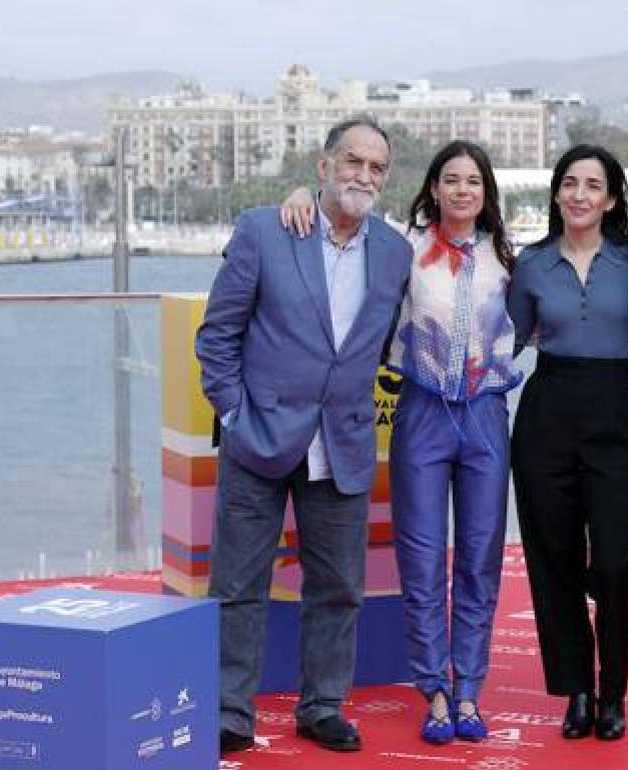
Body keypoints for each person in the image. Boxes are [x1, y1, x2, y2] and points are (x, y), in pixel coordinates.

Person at [280, 140, 520, 746]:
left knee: (480, 557)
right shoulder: (402, 253)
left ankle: (469, 687)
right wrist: (301, 195)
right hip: (423, 414)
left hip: (488, 415)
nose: (463, 190)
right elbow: (341, 232)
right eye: (451, 180)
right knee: (420, 559)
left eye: (474, 180)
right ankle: (433, 689)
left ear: (486, 191)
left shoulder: (512, 258)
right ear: (433, 189)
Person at [196, 116, 411, 756]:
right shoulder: (267, 229)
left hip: (342, 442)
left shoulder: (395, 252)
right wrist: (234, 414)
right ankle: (229, 712)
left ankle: (323, 706)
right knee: (237, 586)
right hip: (257, 438)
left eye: (376, 167)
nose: (363, 175)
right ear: (323, 167)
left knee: (339, 589)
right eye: (352, 161)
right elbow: (218, 336)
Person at [507, 145, 628, 741]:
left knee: (615, 561)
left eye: (594, 185)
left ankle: (614, 685)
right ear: (556, 194)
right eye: (570, 183)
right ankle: (580, 691)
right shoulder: (532, 263)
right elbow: (505, 339)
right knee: (554, 558)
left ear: (612, 198)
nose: (580, 195)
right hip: (547, 412)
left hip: (615, 409)